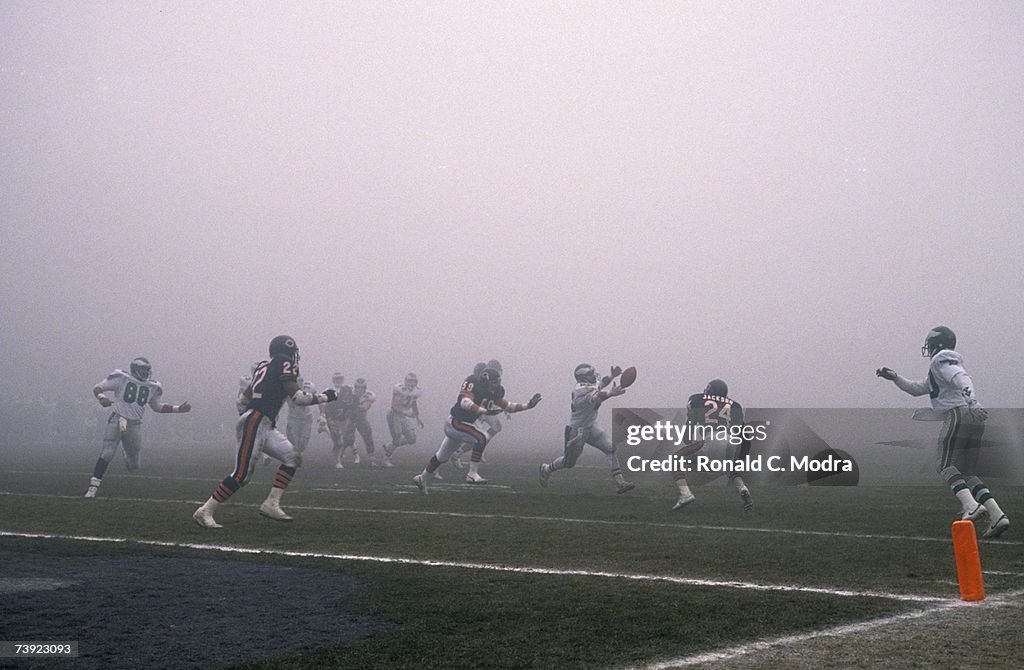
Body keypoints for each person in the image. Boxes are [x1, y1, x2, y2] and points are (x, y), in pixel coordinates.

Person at [877, 326, 1009, 538]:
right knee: (966, 471)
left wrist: (972, 400)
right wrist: (895, 377)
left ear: (937, 344)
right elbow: (916, 388)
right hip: (971, 418)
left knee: (944, 464)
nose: (927, 348)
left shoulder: (942, 360)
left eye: (930, 344)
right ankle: (997, 514)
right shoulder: (938, 368)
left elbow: (961, 377)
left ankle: (971, 506)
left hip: (959, 414)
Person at [193, 336, 337, 528]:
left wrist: (247, 419)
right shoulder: (286, 364)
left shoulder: (264, 367)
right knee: (242, 474)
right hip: (257, 421)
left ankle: (271, 503)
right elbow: (299, 398)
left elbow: (242, 401)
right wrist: (326, 396)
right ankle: (205, 511)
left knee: (293, 457)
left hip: (261, 422)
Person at [413, 367, 541, 492]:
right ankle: (472, 473)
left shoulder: (496, 392)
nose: (496, 385)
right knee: (481, 437)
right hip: (456, 422)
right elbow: (465, 402)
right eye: (493, 382)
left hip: (462, 425)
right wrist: (483, 410)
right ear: (485, 380)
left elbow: (508, 406)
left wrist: (528, 405)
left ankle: (422, 478)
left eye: (497, 382)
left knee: (441, 457)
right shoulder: (474, 384)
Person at [85, 357, 191, 498]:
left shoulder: (152, 386)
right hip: (119, 419)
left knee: (134, 464)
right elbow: (98, 387)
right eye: (144, 370)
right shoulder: (122, 378)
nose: (146, 373)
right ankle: (93, 487)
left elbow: (157, 407)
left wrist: (178, 409)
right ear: (135, 370)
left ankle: (126, 450)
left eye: (147, 371)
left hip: (134, 424)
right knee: (107, 453)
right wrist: (101, 397)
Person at [539, 364, 634, 494]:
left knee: (610, 448)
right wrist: (611, 394)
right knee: (569, 463)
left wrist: (612, 376)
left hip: (591, 426)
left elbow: (601, 384)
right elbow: (596, 397)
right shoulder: (580, 390)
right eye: (590, 374)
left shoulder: (589, 384)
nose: (594, 376)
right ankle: (547, 469)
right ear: (583, 378)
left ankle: (620, 483)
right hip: (577, 431)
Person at [668, 379, 754, 512]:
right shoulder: (735, 406)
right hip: (729, 440)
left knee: (674, 459)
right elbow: (746, 438)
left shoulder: (696, 400)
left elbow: (689, 429)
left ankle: (685, 494)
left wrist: (691, 442)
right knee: (728, 467)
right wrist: (741, 459)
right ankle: (743, 490)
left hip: (711, 439)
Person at [383, 372, 423, 467]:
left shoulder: (416, 391)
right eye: (410, 381)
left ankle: (389, 446)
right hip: (394, 415)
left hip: (403, 416)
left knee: (412, 439)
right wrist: (407, 414)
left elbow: (413, 402)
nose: (411, 384)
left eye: (413, 381)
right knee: (397, 439)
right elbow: (394, 407)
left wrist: (418, 418)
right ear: (406, 381)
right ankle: (386, 458)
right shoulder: (400, 390)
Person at [343, 378, 378, 465]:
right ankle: (341, 453)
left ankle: (371, 456)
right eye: (358, 387)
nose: (359, 389)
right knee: (347, 436)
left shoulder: (368, 395)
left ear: (365, 388)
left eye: (362, 387)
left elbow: (365, 407)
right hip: (349, 416)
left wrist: (353, 406)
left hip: (360, 417)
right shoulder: (349, 393)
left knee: (367, 434)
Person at [320, 382, 355, 469]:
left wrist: (346, 426)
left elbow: (349, 416)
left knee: (345, 440)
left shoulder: (350, 403)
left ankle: (325, 430)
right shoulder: (334, 402)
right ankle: (338, 461)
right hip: (334, 422)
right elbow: (329, 416)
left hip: (343, 422)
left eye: (349, 395)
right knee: (339, 442)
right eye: (346, 395)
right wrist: (332, 426)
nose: (348, 397)